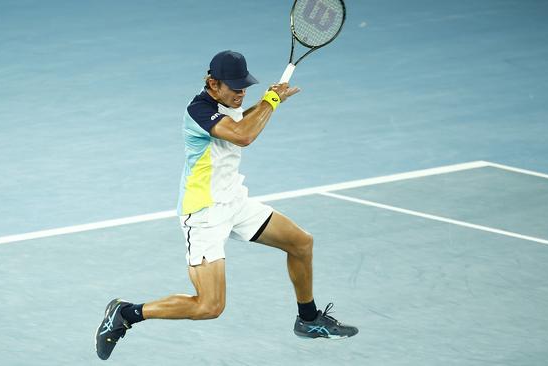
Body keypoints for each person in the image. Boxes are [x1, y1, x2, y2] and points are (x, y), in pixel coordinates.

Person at [95, 50, 358, 360]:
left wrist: (266, 102)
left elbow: (240, 123)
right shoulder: (198, 110)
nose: (241, 94)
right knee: (210, 306)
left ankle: (309, 319)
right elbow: (242, 136)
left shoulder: (228, 104)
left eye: (244, 87)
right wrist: (270, 103)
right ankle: (126, 314)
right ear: (212, 83)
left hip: (234, 201)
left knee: (301, 243)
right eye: (234, 88)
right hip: (205, 213)